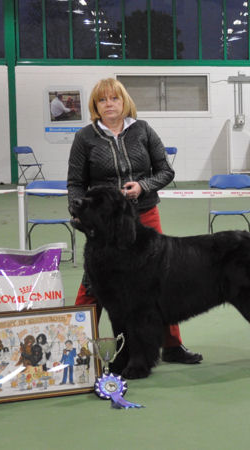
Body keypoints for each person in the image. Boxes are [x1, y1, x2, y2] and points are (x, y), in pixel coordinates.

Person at [67, 78, 202, 365]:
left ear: (124, 101)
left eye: (114, 98)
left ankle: (172, 346)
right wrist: (78, 212)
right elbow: (76, 183)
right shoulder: (84, 138)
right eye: (102, 100)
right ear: (95, 106)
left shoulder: (142, 130)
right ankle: (74, 347)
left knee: (160, 282)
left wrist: (143, 186)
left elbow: (166, 171)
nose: (109, 104)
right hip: (104, 226)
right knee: (93, 285)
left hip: (145, 216)